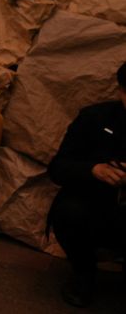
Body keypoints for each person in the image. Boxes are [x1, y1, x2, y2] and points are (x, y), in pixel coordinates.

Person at [47, 61, 126, 308]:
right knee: (68, 211)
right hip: (97, 207)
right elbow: (58, 168)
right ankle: (84, 274)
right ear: (121, 91)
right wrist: (94, 170)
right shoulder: (95, 118)